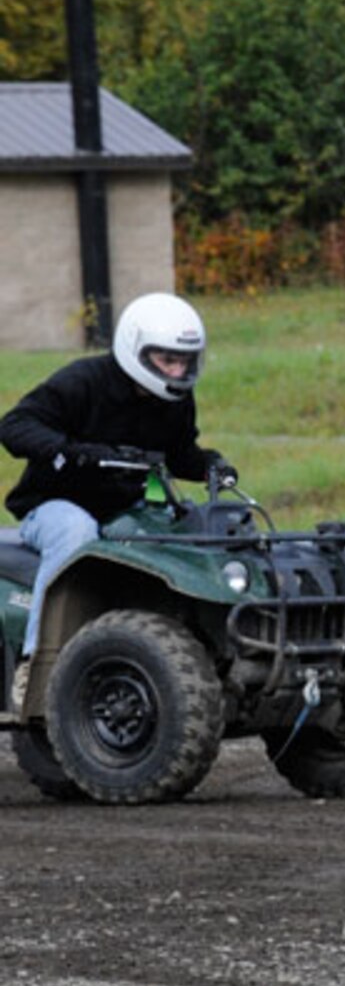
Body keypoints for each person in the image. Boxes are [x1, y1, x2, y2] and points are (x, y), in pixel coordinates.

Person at [0, 293, 234, 701]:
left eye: (185, 360)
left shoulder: (175, 401)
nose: (178, 370)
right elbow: (15, 425)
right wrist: (72, 452)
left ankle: (200, 659)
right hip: (56, 506)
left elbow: (181, 456)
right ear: (134, 349)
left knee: (198, 530)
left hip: (131, 509)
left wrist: (212, 465)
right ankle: (33, 665)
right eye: (166, 360)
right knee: (77, 533)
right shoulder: (83, 382)